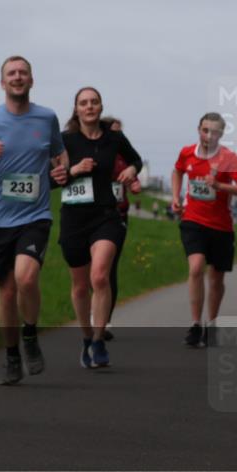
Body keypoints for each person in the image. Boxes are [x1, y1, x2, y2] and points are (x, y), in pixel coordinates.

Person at [0, 56, 68, 385]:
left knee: (26, 279)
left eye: (22, 72)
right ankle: (12, 355)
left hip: (35, 215)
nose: (17, 77)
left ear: (31, 80)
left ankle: (29, 334)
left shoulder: (47, 117)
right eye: (11, 73)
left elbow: (59, 152)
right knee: (7, 292)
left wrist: (61, 169)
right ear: (2, 83)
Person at [58, 92, 142, 368]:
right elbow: (50, 180)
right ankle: (85, 337)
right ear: (76, 109)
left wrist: (131, 170)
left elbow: (135, 160)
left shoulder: (113, 138)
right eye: (84, 103)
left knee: (100, 276)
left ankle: (98, 339)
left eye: (94, 102)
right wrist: (73, 171)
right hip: (73, 219)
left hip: (106, 215)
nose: (89, 106)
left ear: (101, 106)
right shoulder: (64, 141)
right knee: (80, 286)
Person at [171, 113, 237, 347]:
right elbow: (177, 171)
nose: (209, 136)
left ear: (221, 134)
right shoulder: (187, 152)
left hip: (220, 226)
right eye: (205, 130)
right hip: (193, 220)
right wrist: (175, 197)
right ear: (198, 129)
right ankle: (196, 324)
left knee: (216, 279)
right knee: (196, 267)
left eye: (215, 132)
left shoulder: (229, 158)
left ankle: (212, 323)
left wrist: (220, 185)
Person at [97, 116, 142, 342]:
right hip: (91, 217)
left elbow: (134, 186)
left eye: (120, 133)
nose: (118, 137)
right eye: (114, 132)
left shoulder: (126, 157)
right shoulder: (95, 152)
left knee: (108, 270)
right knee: (90, 272)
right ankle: (90, 315)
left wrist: (133, 182)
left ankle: (105, 320)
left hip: (117, 217)